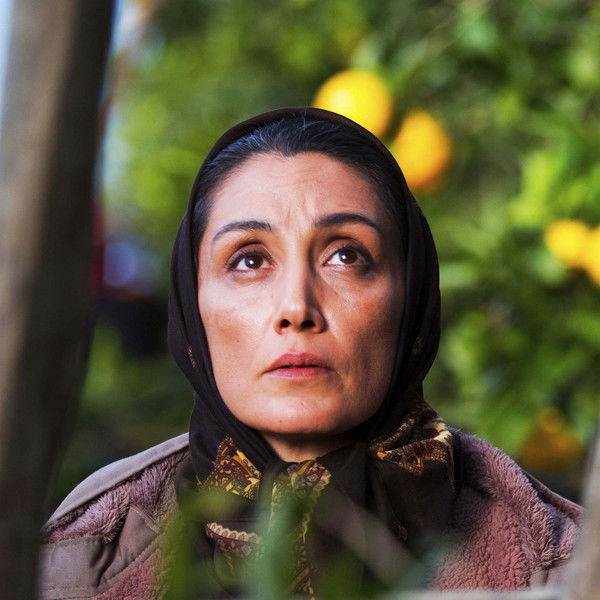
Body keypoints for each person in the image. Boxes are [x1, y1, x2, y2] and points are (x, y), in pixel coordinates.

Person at [39, 107, 580, 599]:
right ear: (192, 302)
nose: (297, 308)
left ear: (411, 297)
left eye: (346, 256)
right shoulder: (75, 564)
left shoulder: (565, 568)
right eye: (250, 261)